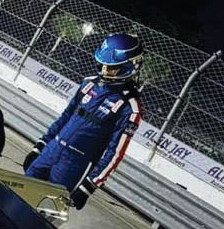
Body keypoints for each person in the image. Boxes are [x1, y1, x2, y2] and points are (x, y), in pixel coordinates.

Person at [23, 33, 144, 209]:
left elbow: (115, 153)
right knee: (20, 193)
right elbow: (65, 118)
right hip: (51, 150)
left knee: (44, 211)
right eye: (103, 64)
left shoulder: (130, 108)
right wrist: (40, 146)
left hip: (75, 164)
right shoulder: (88, 83)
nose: (104, 70)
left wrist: (90, 185)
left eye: (111, 67)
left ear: (129, 66)